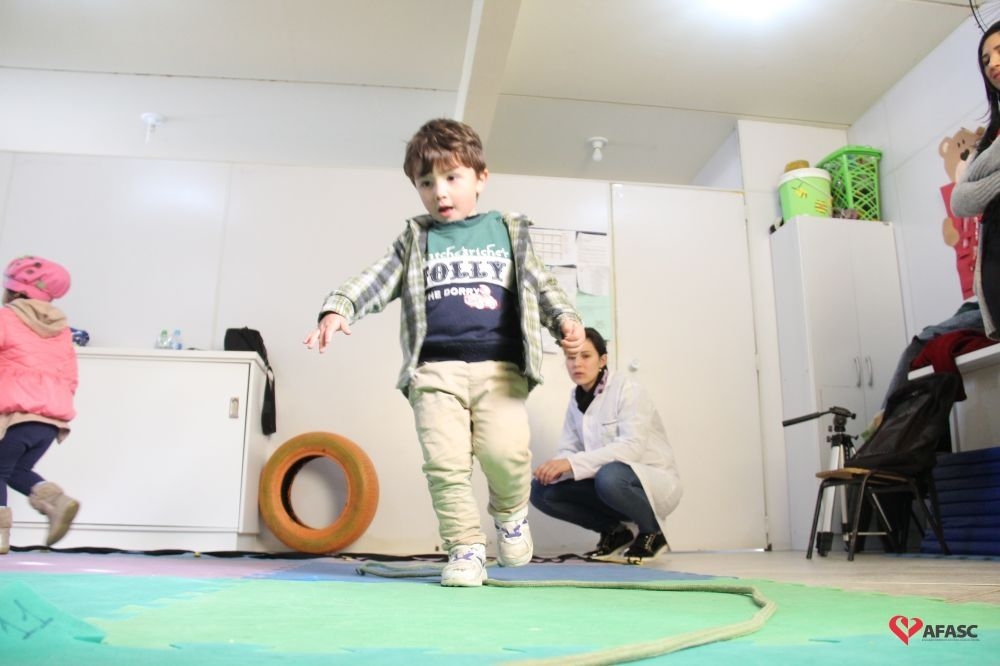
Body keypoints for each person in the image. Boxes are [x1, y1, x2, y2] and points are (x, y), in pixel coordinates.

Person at [303, 118, 584, 587]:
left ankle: (511, 515)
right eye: (426, 182)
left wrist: (566, 321)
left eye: (452, 178)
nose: (441, 192)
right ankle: (465, 547)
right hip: (433, 370)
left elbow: (541, 285)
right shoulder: (417, 240)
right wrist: (339, 308)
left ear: (481, 178)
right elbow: (376, 278)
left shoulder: (505, 233)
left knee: (506, 454)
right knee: (445, 464)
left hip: (499, 370)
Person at [530, 327, 681, 563]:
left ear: (602, 360)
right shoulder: (576, 398)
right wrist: (554, 468)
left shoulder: (628, 389)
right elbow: (569, 448)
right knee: (541, 490)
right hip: (607, 485)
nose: (577, 364)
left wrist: (570, 463)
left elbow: (631, 447)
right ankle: (615, 533)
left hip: (647, 482)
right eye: (571, 357)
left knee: (609, 476)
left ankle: (652, 532)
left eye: (585, 356)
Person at [0, 255, 80, 554]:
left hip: (14, 415)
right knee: (17, 470)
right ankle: (56, 502)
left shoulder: (6, 318)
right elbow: (71, 378)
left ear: (13, 291)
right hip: (50, 421)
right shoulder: (61, 331)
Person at [950, 20, 1000, 343]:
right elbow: (959, 201)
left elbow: (969, 184)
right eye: (985, 60)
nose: (992, 63)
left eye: (999, 51)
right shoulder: (990, 135)